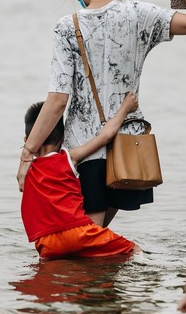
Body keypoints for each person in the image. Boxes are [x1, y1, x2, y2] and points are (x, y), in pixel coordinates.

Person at [16, 0, 186, 228]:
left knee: (79, 249)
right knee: (94, 244)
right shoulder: (140, 15)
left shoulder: (68, 27)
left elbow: (57, 101)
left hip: (87, 153)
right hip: (129, 148)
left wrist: (28, 154)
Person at [20, 92, 142, 259]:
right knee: (133, 249)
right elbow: (106, 136)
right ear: (63, 138)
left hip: (45, 243)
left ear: (27, 139)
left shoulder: (25, 172)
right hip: (78, 234)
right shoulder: (68, 158)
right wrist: (125, 109)